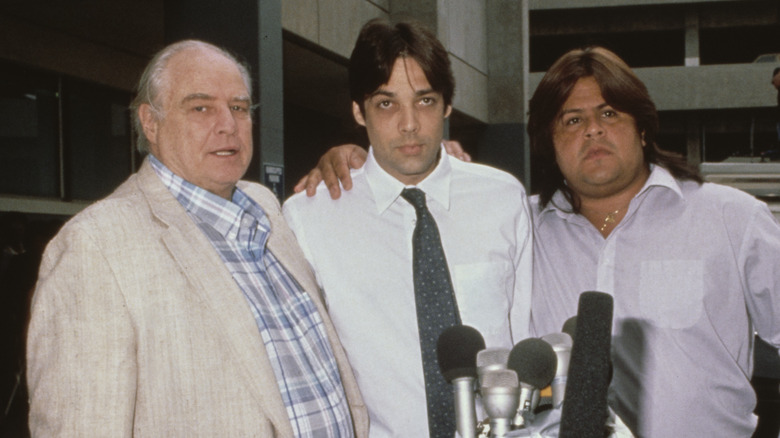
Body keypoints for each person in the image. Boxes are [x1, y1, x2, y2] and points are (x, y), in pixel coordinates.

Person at [296, 46, 780, 438]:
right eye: (571, 120)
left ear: (643, 125)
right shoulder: (521, 221)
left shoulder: (730, 220)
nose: (592, 130)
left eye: (609, 112)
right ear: (548, 139)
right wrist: (353, 158)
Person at [26, 40, 368, 438]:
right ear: (150, 123)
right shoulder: (96, 246)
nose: (228, 124)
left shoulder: (266, 208)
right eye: (201, 107)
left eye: (239, 107)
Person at [282, 18, 532, 438]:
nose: (409, 124)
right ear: (358, 111)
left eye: (425, 101)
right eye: (386, 104)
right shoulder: (311, 217)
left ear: (448, 105)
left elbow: (525, 331)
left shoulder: (503, 198)